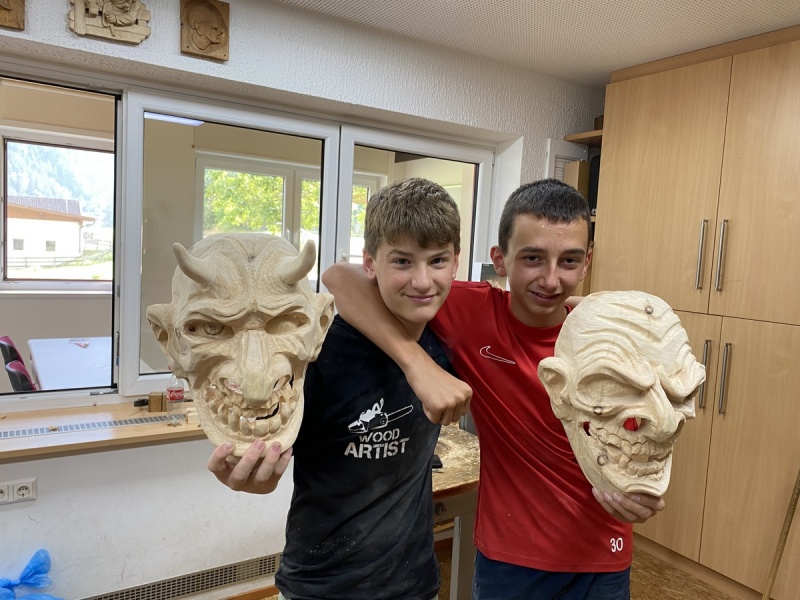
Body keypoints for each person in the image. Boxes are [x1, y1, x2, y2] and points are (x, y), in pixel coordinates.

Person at [323, 178, 665, 600]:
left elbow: (642, 438)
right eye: (533, 258)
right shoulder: (470, 313)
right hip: (511, 559)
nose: (551, 280)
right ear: (500, 260)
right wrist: (416, 364)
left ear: (587, 262)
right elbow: (340, 276)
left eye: (569, 261)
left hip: (603, 554)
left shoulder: (611, 339)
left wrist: (645, 490)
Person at [208, 177, 463, 600]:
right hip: (321, 587)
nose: (422, 281)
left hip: (415, 584)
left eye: (437, 261)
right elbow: (268, 453)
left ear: (456, 263)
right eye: (401, 261)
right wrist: (252, 473)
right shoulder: (319, 353)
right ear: (370, 263)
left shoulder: (452, 336)